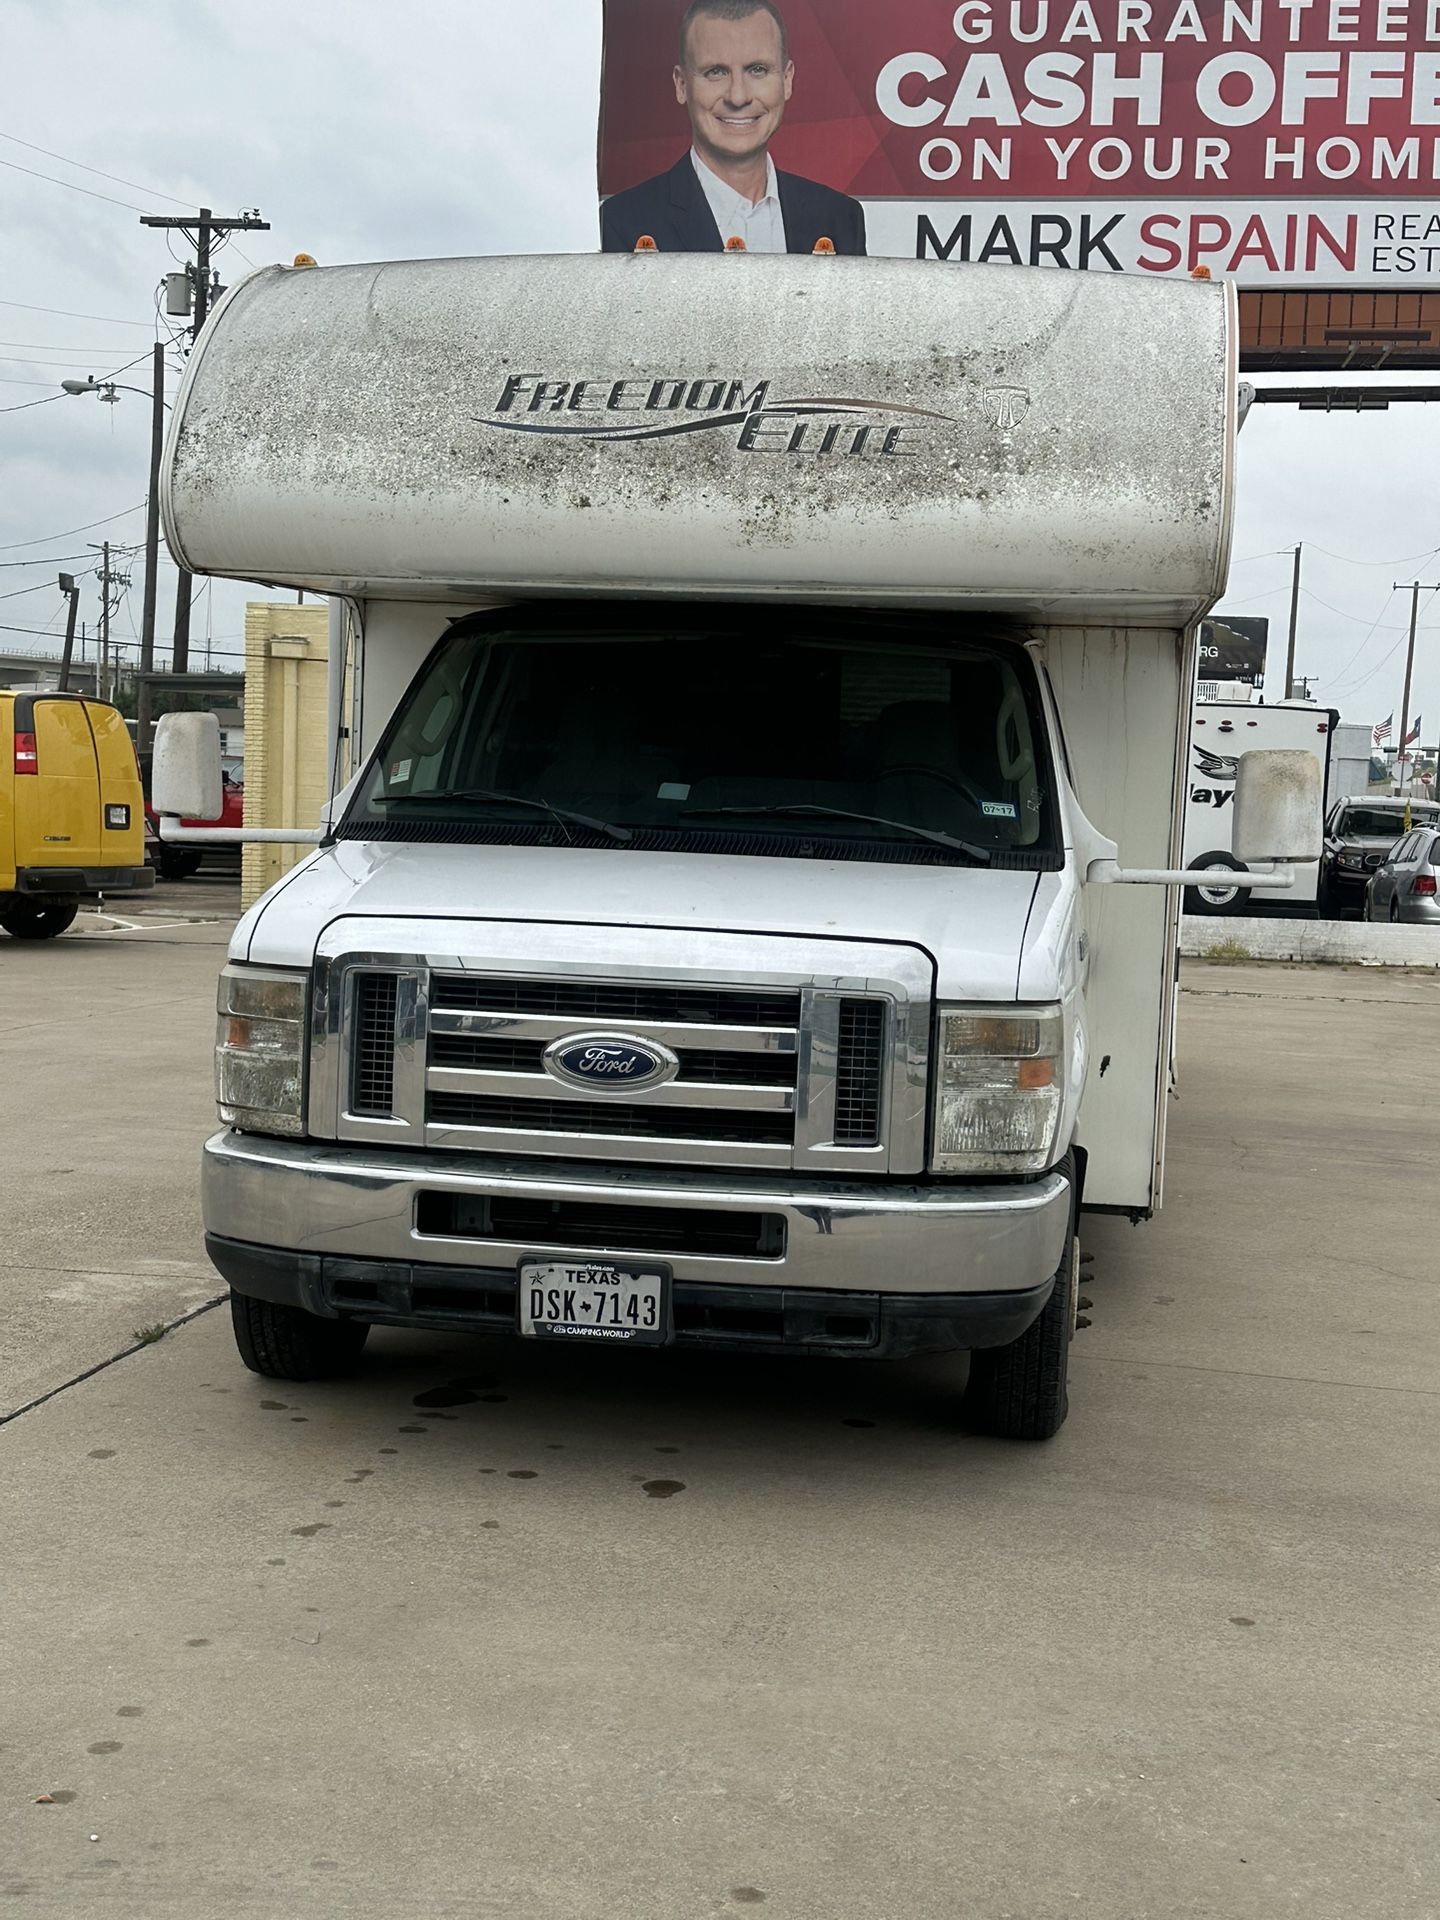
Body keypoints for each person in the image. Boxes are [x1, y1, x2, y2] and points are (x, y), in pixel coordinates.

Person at [600, 0, 867, 257]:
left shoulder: (841, 219)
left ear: (787, 81)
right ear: (682, 85)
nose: (738, 97)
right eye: (716, 72)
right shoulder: (621, 223)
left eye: (757, 70)